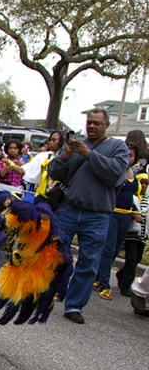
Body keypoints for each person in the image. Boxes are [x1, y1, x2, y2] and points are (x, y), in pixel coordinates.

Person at [46, 109, 129, 324]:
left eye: (97, 123)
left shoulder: (117, 147)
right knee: (54, 254)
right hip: (68, 209)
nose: (91, 126)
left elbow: (114, 174)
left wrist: (88, 155)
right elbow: (54, 172)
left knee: (89, 262)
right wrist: (65, 154)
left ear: (107, 125)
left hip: (98, 215)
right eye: (89, 122)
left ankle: (74, 305)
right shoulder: (75, 145)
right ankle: (46, 295)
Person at [93, 144, 140, 300]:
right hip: (112, 213)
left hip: (126, 216)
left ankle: (97, 277)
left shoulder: (134, 175)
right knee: (109, 248)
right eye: (126, 155)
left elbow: (130, 197)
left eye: (131, 156)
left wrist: (135, 210)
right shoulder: (116, 172)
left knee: (115, 249)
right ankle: (105, 285)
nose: (128, 159)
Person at [117, 170, 148, 296]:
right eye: (142, 183)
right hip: (131, 234)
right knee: (131, 259)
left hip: (142, 235)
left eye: (147, 183)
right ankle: (125, 286)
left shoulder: (145, 198)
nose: (144, 186)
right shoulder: (133, 198)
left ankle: (121, 274)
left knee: (137, 260)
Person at [22, 130, 63, 204]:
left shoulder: (67, 158)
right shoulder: (44, 156)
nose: (50, 142)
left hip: (59, 200)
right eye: (50, 140)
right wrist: (10, 164)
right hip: (42, 198)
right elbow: (25, 169)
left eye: (54, 140)